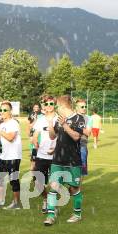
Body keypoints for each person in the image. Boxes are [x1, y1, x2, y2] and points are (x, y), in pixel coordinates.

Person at [44, 95, 85, 226]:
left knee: (74, 188)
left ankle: (77, 214)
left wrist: (65, 125)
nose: (56, 109)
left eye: (57, 106)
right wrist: (50, 123)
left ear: (63, 106)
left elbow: (76, 136)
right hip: (58, 159)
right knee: (53, 186)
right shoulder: (59, 119)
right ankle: (51, 215)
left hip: (73, 161)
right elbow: (52, 136)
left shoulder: (79, 118)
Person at [0, 101, 22, 210]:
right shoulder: (2, 125)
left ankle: (16, 203)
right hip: (3, 156)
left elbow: (11, 137)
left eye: (5, 110)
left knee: (13, 180)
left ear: (10, 111)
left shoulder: (14, 123)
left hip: (14, 156)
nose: (2, 112)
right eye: (1, 110)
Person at [32, 96, 57, 213]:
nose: (49, 106)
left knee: (54, 182)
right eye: (46, 104)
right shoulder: (41, 119)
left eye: (51, 103)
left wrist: (56, 148)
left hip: (56, 156)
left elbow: (62, 137)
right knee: (37, 182)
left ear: (54, 104)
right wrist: (35, 141)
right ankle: (46, 199)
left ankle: (53, 205)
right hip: (41, 155)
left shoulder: (59, 118)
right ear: (44, 106)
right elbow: (36, 134)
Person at [75, 99, 92, 177]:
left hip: (82, 146)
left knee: (82, 169)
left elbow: (88, 132)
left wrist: (74, 127)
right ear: (76, 107)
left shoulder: (88, 118)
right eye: (82, 106)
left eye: (85, 106)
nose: (84, 108)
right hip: (71, 146)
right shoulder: (72, 117)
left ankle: (78, 189)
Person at [28, 103, 42, 171]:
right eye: (35, 107)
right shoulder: (31, 114)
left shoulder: (42, 115)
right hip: (33, 133)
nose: (36, 108)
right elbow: (30, 125)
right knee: (33, 149)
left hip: (40, 135)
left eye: (37, 107)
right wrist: (29, 133)